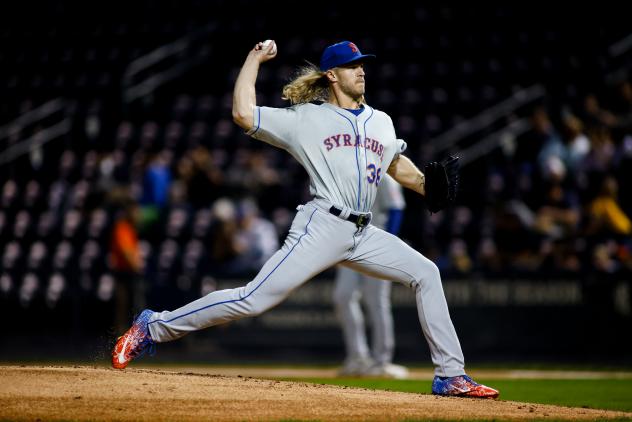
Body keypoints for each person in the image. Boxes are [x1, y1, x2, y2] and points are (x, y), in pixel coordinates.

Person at [112, 40, 499, 398]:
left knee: (426, 272)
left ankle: (450, 375)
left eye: (363, 65)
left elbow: (396, 166)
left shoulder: (382, 120)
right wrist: (253, 61)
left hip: (363, 232)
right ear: (332, 75)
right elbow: (243, 114)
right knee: (252, 299)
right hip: (322, 225)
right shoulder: (306, 119)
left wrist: (427, 186)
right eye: (352, 66)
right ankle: (153, 326)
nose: (361, 71)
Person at [333, 174, 409, 378]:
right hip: (350, 244)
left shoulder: (383, 176)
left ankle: (381, 361)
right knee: (343, 296)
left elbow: (396, 209)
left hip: (377, 243)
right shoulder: (348, 175)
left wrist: (390, 245)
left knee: (376, 300)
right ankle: (358, 357)